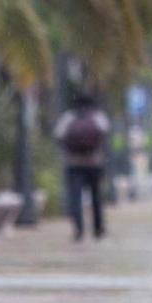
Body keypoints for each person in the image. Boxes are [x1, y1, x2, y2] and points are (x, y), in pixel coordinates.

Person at [53, 93, 110, 242]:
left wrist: (69, 149)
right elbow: (105, 132)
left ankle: (79, 228)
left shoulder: (68, 117)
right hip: (94, 162)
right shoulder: (97, 116)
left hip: (74, 163)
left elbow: (58, 135)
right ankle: (98, 228)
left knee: (75, 197)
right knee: (96, 197)